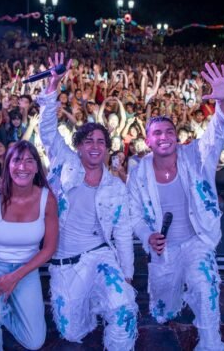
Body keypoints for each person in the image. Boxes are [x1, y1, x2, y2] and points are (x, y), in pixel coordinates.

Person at [128, 62, 224, 351]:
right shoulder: (138, 173)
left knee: (205, 287)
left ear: (176, 136)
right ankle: (169, 305)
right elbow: (134, 215)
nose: (164, 136)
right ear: (148, 141)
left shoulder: (196, 156)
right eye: (157, 133)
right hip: (164, 250)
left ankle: (211, 343)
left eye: (169, 131)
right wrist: (147, 236)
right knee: (164, 308)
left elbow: (217, 132)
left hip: (196, 241)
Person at [37, 53, 137, 350]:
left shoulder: (115, 187)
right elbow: (47, 131)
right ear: (78, 146)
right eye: (88, 141)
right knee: (72, 332)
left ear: (107, 148)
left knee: (124, 308)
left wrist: (127, 275)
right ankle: (90, 303)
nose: (95, 146)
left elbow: (123, 232)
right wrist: (52, 87)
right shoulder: (64, 161)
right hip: (63, 263)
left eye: (101, 142)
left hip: (99, 255)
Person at [0, 140, 58, 351]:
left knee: (34, 342)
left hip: (26, 269)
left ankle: (1, 313)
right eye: (17, 160)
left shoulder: (47, 199)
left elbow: (49, 248)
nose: (22, 166)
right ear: (8, 165)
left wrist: (15, 277)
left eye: (29, 161)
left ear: (36, 167)